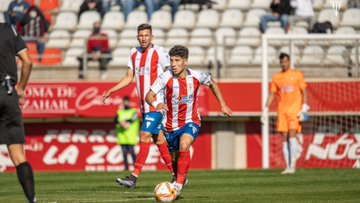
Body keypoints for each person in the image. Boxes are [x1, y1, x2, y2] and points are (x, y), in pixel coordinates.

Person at [145, 45, 232, 197]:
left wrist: (223, 104)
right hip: (170, 125)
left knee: (184, 145)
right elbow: (149, 95)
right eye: (171, 60)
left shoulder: (197, 76)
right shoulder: (165, 77)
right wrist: (155, 104)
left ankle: (177, 186)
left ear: (185, 62)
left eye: (177, 60)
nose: (173, 64)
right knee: (174, 158)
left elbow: (212, 83)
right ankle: (178, 178)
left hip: (190, 121)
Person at [101, 23, 175, 189]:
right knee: (159, 140)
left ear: (152, 37)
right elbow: (129, 77)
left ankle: (133, 178)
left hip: (156, 105)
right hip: (144, 107)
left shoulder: (160, 52)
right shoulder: (133, 53)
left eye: (146, 35)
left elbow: (171, 74)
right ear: (137, 37)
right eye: (141, 35)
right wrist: (111, 91)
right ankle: (178, 176)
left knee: (144, 136)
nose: (143, 38)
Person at [0, 23, 36, 203]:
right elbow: (28, 61)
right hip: (8, 94)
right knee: (19, 156)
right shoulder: (9, 29)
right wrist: (20, 88)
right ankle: (31, 200)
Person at [262, 52, 309, 174]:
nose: (284, 64)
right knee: (284, 138)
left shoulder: (297, 75)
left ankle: (293, 165)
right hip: (282, 111)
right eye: (282, 62)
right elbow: (272, 93)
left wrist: (304, 107)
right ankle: (287, 166)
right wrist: (265, 109)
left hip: (294, 111)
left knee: (292, 136)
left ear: (289, 62)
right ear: (280, 63)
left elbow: (304, 91)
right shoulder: (276, 78)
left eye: (286, 61)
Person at [115, 96, 139, 171]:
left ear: (129, 102)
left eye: (126, 101)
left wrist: (127, 123)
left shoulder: (133, 111)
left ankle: (136, 168)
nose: (125, 103)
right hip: (122, 136)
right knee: (124, 153)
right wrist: (121, 123)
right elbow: (115, 120)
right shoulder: (119, 112)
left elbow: (133, 118)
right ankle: (126, 167)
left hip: (131, 136)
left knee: (132, 152)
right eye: (124, 101)